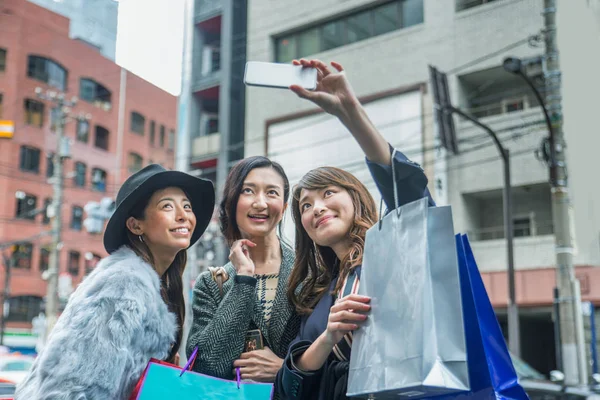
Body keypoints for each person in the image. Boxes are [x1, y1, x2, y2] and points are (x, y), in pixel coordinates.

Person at [275, 59, 435, 400]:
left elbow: (408, 193)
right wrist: (328, 337)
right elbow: (290, 387)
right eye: (305, 205)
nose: (316, 207)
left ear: (356, 199)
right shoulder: (316, 294)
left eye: (328, 193)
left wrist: (348, 110)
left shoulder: (394, 254)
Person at [16, 164, 214, 400]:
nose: (183, 215)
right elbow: (73, 388)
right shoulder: (122, 283)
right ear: (135, 224)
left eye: (187, 206)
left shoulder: (156, 286)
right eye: (167, 206)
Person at [186, 157, 300, 390]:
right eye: (248, 191)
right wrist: (244, 280)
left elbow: (332, 358)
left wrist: (284, 369)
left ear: (284, 207)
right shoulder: (211, 283)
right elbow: (205, 366)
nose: (260, 203)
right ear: (231, 203)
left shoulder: (309, 272)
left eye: (272, 193)